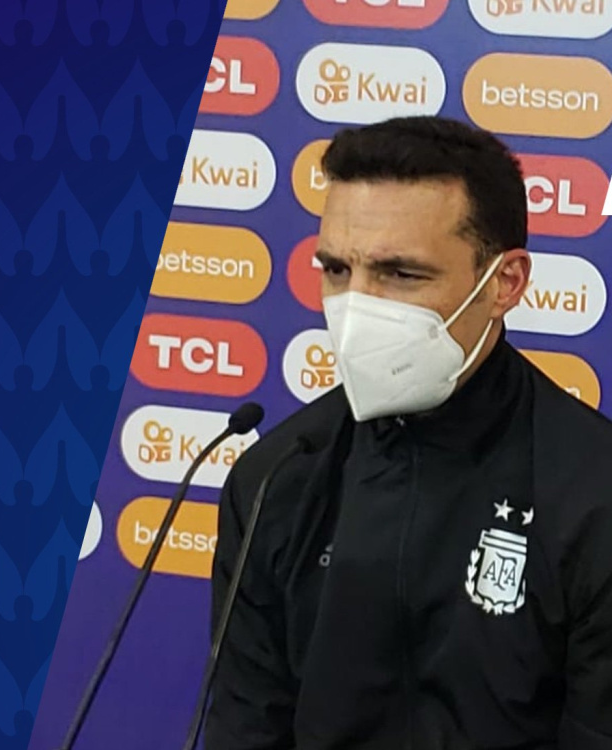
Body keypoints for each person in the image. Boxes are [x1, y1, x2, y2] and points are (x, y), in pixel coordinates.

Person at [204, 116, 612, 750]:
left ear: (505, 283)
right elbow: (246, 729)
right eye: (337, 270)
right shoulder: (277, 476)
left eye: (401, 274)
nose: (357, 307)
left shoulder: (593, 490)